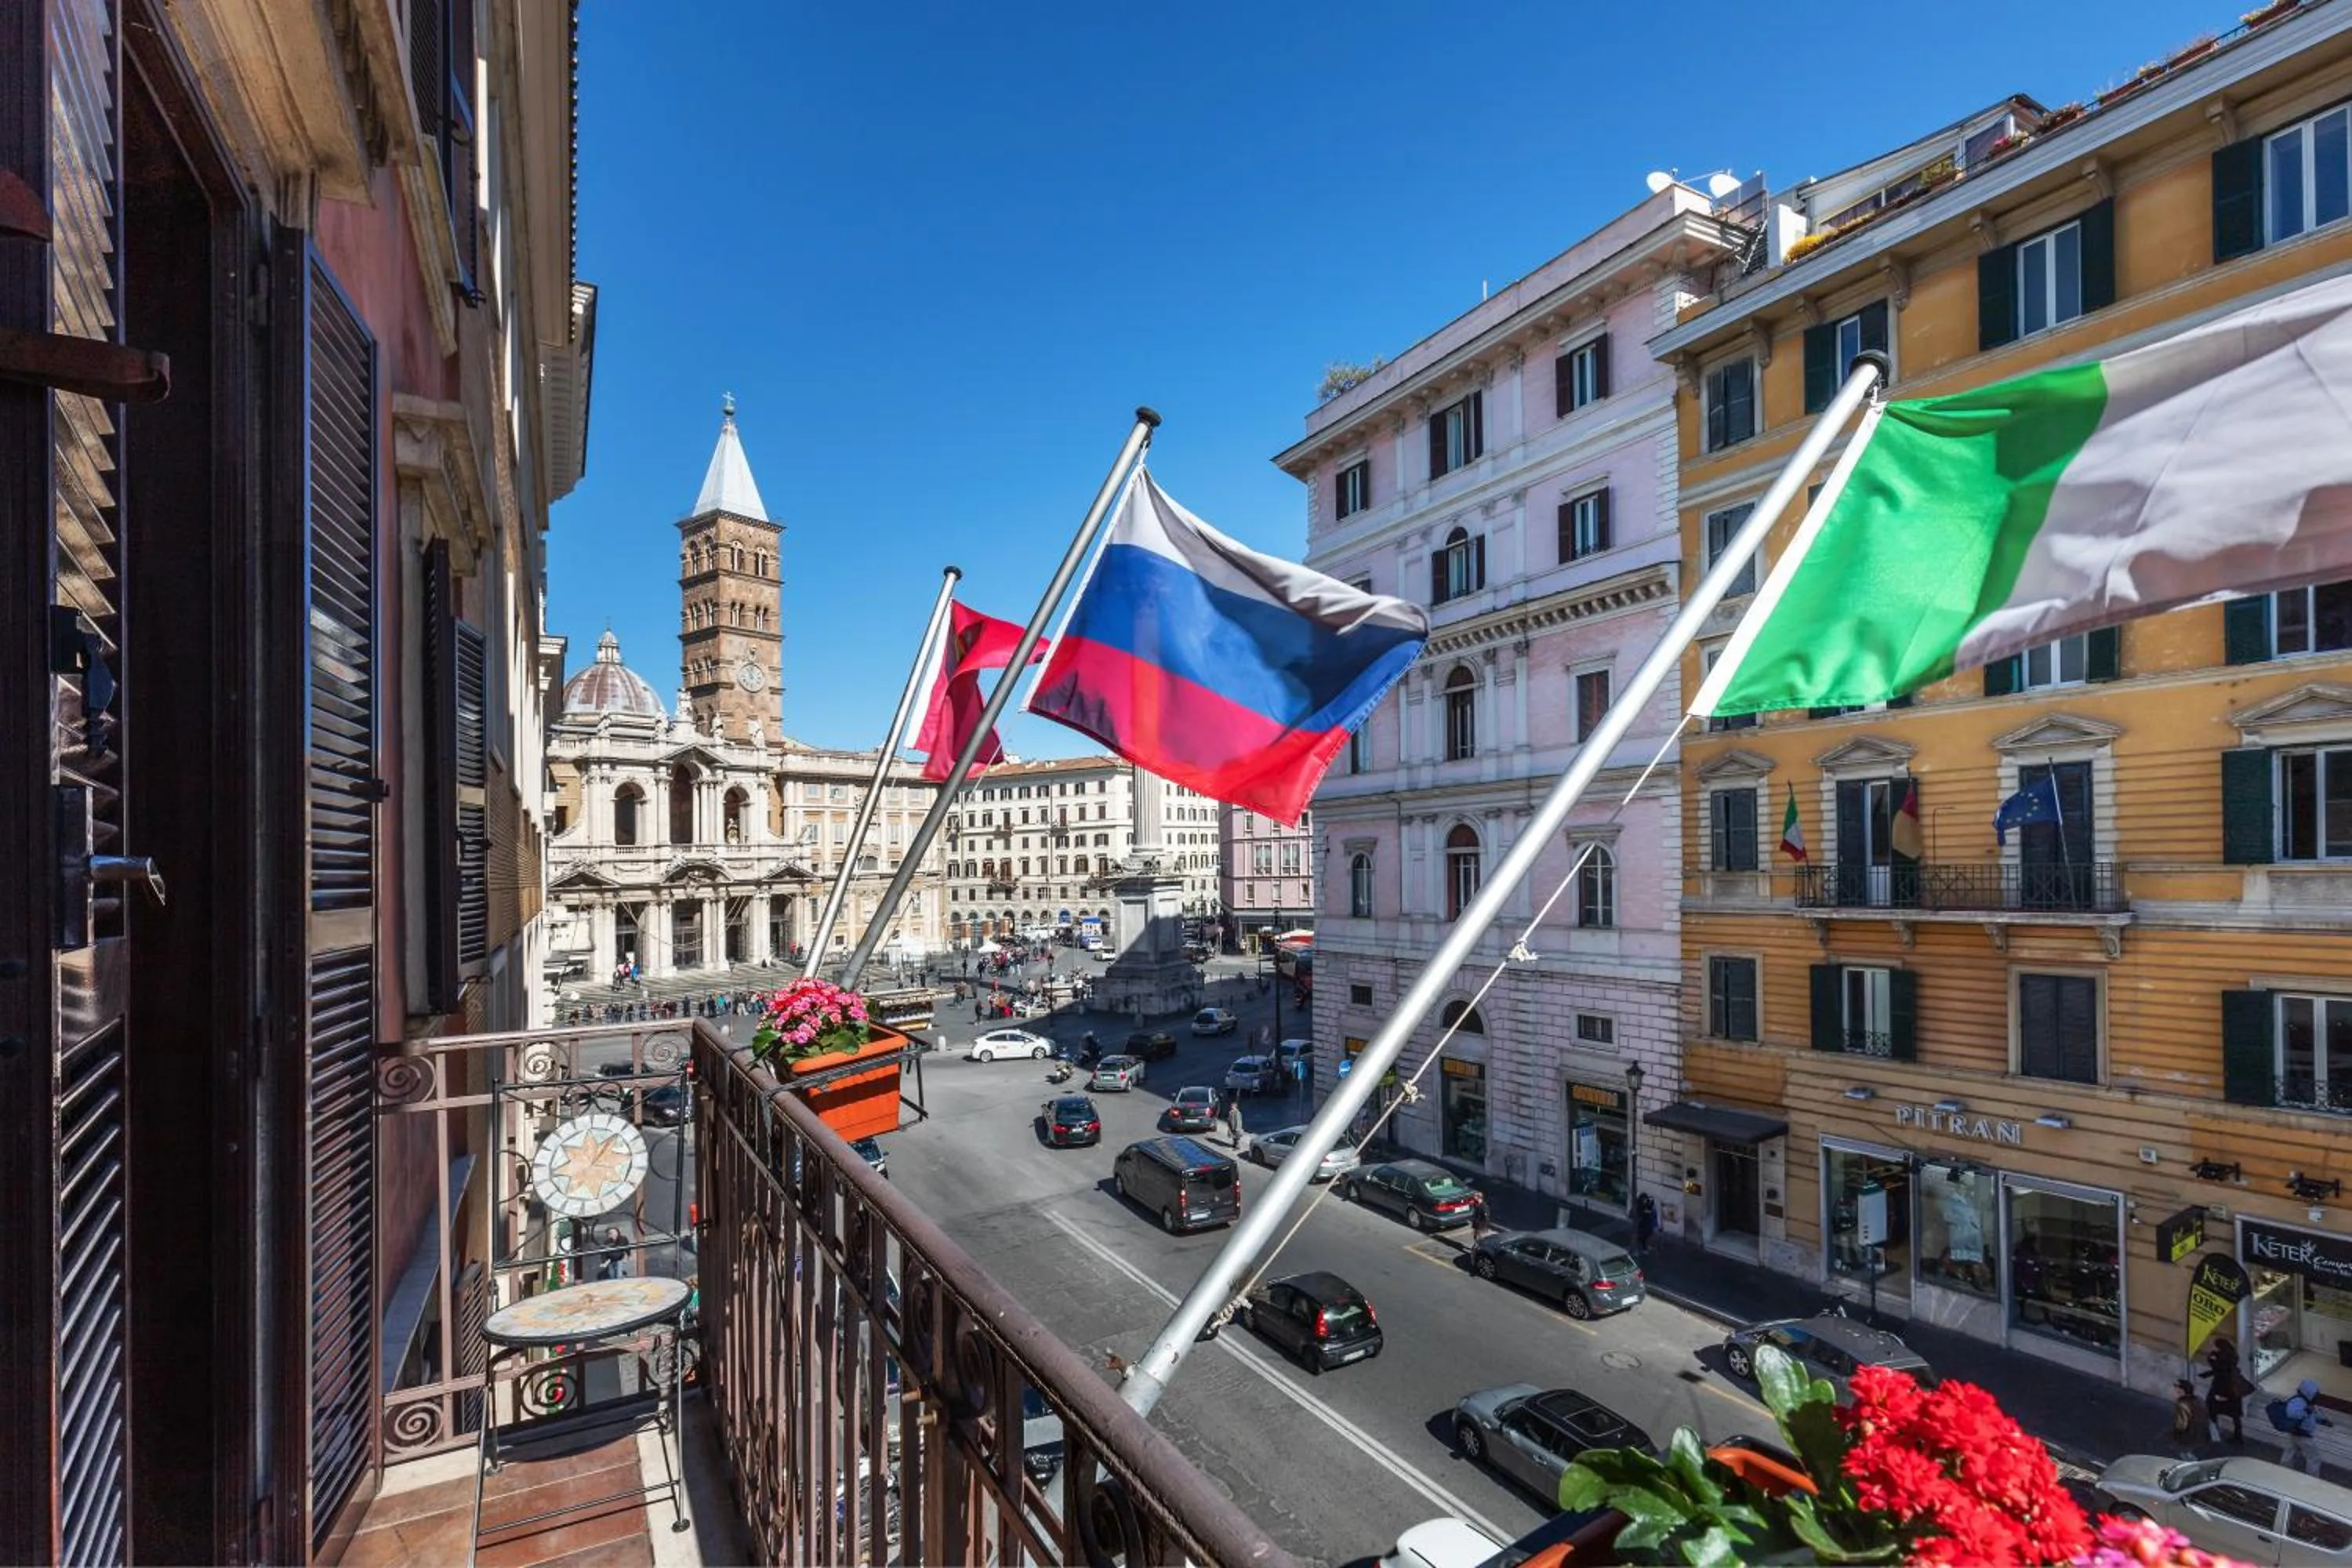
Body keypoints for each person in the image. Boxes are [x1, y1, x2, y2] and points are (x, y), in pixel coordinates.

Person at [2202, 1338, 2248, 1443]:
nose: (2212, 1347)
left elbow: (2219, 1373)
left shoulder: (2220, 1362)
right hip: (2234, 1390)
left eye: (2214, 1346)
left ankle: (2214, 1434)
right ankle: (2238, 1436)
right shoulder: (2231, 1357)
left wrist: (2220, 1395)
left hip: (2223, 1390)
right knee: (2235, 1415)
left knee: (2211, 1409)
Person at [2284, 1378, 2333, 1474]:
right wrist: (2307, 1411)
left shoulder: (2305, 1402)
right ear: (2309, 1392)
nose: (2316, 1397)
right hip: (2303, 1434)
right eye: (2315, 1394)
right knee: (2314, 1457)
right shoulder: (2298, 1402)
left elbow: (2312, 1415)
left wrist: (2322, 1420)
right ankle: (2311, 1478)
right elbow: (2292, 1413)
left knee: (2291, 1451)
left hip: (2296, 1432)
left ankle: (2284, 1470)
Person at [2172, 1379, 2209, 1457]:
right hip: (2202, 1435)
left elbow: (2181, 1425)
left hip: (2188, 1438)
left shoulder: (2182, 1405)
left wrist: (2175, 1435)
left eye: (2176, 1391)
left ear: (2182, 1391)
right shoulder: (2199, 1400)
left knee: (2185, 1455)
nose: (2174, 1393)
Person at [1635, 1192, 1658, 1257]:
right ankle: (1643, 1248)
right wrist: (1648, 1211)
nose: (1645, 1200)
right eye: (1644, 1199)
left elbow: (1649, 1209)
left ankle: (1644, 1246)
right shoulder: (1640, 1206)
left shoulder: (1646, 1205)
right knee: (1643, 1236)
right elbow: (1643, 1213)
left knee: (1648, 1233)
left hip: (1647, 1223)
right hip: (1643, 1223)